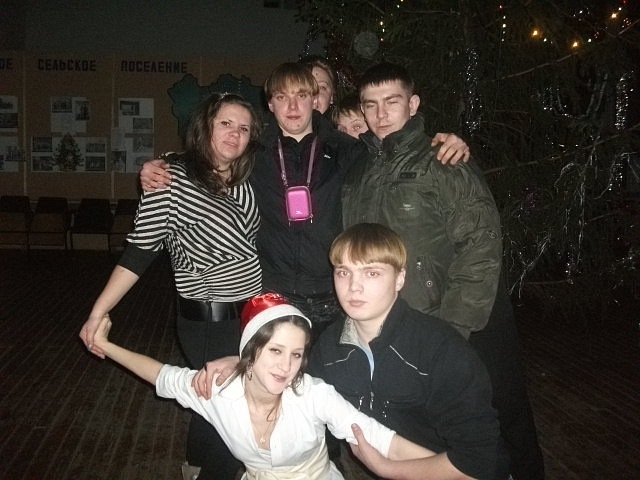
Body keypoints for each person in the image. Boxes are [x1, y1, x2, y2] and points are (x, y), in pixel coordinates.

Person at [341, 62, 545, 480]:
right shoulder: (360, 172)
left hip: (464, 324)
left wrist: (454, 329)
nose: (381, 114)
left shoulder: (444, 160)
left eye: (392, 101)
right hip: (402, 326)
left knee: (503, 421)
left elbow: (481, 246)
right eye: (371, 105)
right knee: (430, 431)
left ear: (413, 104)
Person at [195, 224, 510, 479]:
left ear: (400, 278)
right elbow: (290, 387)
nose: (353, 286)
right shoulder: (330, 349)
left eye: (371, 273)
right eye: (343, 272)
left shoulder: (439, 349)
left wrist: (386, 468)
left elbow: (479, 464)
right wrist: (245, 362)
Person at [79, 93, 263, 480]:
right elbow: (140, 250)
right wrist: (99, 311)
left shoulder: (244, 179)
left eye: (244, 128)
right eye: (225, 123)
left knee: (211, 400)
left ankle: (195, 466)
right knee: (232, 412)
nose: (235, 133)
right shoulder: (172, 180)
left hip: (249, 316)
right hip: (210, 320)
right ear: (205, 127)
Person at [90, 292, 439, 479]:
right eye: (275, 350)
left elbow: (383, 440)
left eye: (296, 354)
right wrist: (105, 345)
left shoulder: (313, 395)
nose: (286, 367)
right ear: (250, 350)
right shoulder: (219, 391)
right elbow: (161, 375)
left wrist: (455, 470)